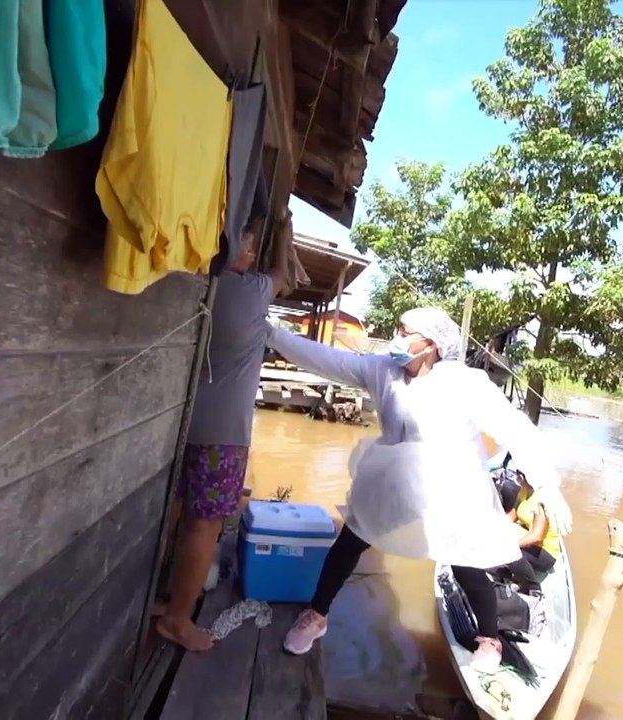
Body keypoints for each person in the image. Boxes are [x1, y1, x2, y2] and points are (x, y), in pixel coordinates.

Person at [265, 307, 573, 672]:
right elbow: (329, 360)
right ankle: (316, 616)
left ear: (430, 344)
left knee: (468, 565)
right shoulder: (382, 371)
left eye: (404, 330)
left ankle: (490, 640)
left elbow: (514, 427)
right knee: (350, 541)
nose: (396, 337)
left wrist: (547, 483)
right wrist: (272, 335)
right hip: (396, 482)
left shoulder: (465, 382)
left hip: (454, 488)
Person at [155, 209, 294, 652]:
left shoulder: (199, 282)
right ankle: (178, 618)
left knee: (175, 511)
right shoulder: (251, 292)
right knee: (205, 525)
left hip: (184, 421)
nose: (254, 255)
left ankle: (163, 599)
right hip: (226, 434)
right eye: (250, 246)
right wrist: (285, 229)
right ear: (242, 250)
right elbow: (283, 274)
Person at [501, 468, 562, 595]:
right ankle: (512, 573)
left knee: (512, 552)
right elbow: (512, 516)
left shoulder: (541, 500)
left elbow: (537, 537)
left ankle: (532, 587)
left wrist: (513, 545)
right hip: (530, 538)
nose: (518, 478)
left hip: (546, 552)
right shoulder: (524, 491)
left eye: (520, 475)